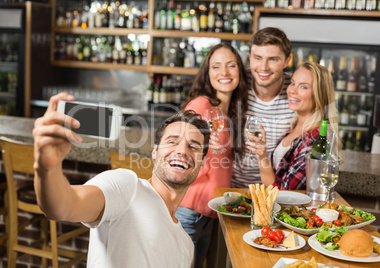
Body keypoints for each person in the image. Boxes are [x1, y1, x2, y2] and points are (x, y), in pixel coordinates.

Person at [32, 92, 211, 267]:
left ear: (201, 164)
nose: (182, 151)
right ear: (155, 152)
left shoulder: (186, 246)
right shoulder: (127, 187)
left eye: (193, 146)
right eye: (172, 141)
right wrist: (47, 169)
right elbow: (64, 206)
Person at [176, 43, 249, 268]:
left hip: (209, 213)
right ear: (208, 74)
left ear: (240, 71)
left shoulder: (232, 111)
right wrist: (201, 146)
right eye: (216, 67)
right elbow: (176, 151)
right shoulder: (202, 105)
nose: (224, 73)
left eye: (231, 66)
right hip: (189, 210)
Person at [248, 61, 340, 189]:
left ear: (319, 94)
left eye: (303, 87)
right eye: (293, 83)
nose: (292, 90)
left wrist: (263, 157)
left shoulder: (316, 139)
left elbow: (284, 192)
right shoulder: (294, 128)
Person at [231, 27, 295, 188]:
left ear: (287, 60)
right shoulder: (236, 83)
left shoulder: (296, 91)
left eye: (273, 59)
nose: (263, 67)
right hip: (229, 190)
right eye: (257, 58)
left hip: (272, 193)